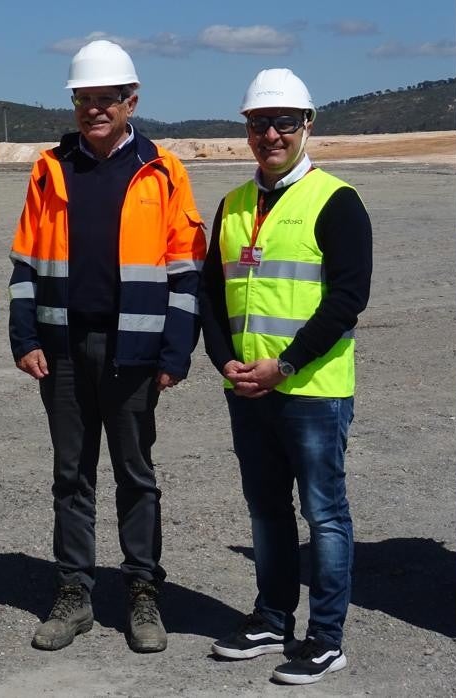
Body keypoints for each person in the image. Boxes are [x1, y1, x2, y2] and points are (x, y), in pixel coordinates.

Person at [8, 40, 207, 653]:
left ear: (131, 101)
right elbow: (25, 260)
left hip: (134, 351)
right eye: (84, 99)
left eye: (106, 99)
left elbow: (185, 269)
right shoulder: (50, 168)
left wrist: (175, 351)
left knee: (135, 475)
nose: (95, 109)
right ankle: (74, 593)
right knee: (70, 475)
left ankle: (143, 592)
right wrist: (24, 335)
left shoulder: (164, 170)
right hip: (62, 348)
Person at [200, 68, 372, 685]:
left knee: (324, 513)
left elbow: (347, 299)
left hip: (312, 392)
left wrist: (287, 365)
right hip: (248, 389)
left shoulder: (337, 200)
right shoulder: (232, 204)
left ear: (308, 125)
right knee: (266, 510)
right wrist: (227, 363)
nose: (270, 134)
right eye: (258, 123)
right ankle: (272, 620)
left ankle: (326, 638)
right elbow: (211, 297)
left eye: (283, 123)